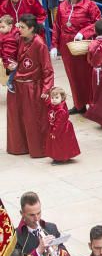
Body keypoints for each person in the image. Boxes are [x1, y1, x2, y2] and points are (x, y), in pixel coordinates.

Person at [6, 15, 52, 158]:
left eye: (22, 27)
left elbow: (48, 70)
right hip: (16, 86)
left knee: (34, 120)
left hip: (32, 87)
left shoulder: (40, 44)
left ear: (31, 29)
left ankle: (38, 149)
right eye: (18, 26)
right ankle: (20, 147)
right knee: (16, 120)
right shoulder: (18, 39)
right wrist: (10, 65)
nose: (19, 29)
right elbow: (9, 57)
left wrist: (46, 90)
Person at [51, 0, 101, 113]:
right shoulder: (62, 7)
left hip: (83, 44)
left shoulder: (90, 5)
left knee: (87, 75)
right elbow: (57, 27)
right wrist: (54, 46)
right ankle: (79, 104)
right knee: (72, 76)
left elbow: (98, 23)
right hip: (66, 45)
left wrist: (83, 33)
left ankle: (93, 104)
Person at [44, 87, 79, 164]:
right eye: (52, 97)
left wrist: (54, 132)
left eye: (56, 97)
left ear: (62, 98)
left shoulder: (61, 110)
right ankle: (63, 156)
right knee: (60, 143)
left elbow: (59, 124)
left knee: (60, 143)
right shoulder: (55, 105)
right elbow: (49, 104)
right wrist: (46, 98)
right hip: (57, 128)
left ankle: (59, 158)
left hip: (62, 130)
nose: (53, 99)